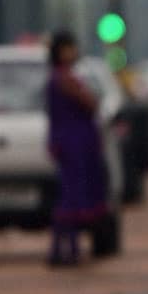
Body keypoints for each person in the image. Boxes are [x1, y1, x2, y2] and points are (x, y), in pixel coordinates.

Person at [45, 30, 109, 266]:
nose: (74, 52)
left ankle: (65, 250)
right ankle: (65, 251)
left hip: (72, 142)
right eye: (69, 48)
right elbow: (89, 103)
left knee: (69, 197)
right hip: (75, 144)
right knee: (72, 199)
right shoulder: (64, 78)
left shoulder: (60, 77)